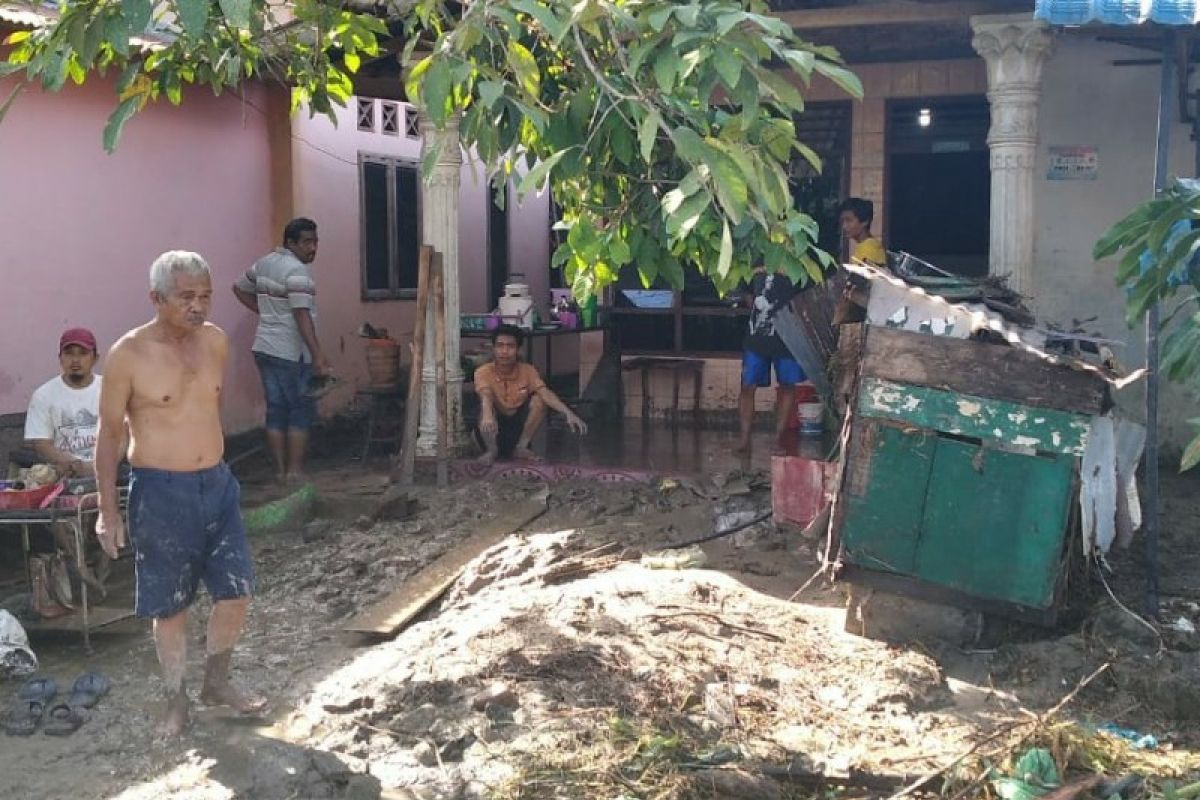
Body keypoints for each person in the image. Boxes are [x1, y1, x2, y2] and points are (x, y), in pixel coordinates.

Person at [95, 251, 265, 735]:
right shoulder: (127, 355)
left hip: (217, 483)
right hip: (159, 490)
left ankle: (217, 681)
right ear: (156, 298)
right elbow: (108, 436)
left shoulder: (215, 342)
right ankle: (176, 699)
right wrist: (109, 511)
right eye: (186, 296)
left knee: (237, 591)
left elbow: (205, 411)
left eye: (206, 295)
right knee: (169, 605)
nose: (199, 306)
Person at [232, 217, 329, 484]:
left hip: (264, 348)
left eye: (315, 242)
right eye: (307, 242)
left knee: (276, 409)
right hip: (289, 352)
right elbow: (301, 314)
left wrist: (266, 314)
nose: (313, 248)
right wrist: (317, 353)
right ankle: (295, 472)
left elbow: (238, 288)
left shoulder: (265, 263)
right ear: (291, 242)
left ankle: (279, 471)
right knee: (299, 409)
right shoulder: (298, 272)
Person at [24, 327, 110, 590]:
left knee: (120, 499)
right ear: (60, 358)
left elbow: (124, 434)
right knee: (55, 506)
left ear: (94, 357)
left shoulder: (109, 388)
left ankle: (106, 561)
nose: (75, 360)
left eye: (82, 353)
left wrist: (102, 464)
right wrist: (72, 464)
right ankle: (79, 565)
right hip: (65, 475)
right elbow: (41, 441)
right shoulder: (45, 395)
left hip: (104, 471)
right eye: (69, 353)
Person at [474, 325, 588, 464]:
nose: (504, 351)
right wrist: (487, 414)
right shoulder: (482, 372)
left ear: (518, 350)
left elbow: (544, 392)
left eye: (510, 346)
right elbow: (485, 395)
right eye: (500, 346)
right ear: (493, 349)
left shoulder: (528, 370)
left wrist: (568, 413)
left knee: (539, 400)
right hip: (490, 429)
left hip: (517, 430)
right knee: (486, 405)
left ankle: (521, 448)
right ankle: (491, 451)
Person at [737, 268, 803, 456]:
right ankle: (744, 441)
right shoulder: (757, 262)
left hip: (788, 339)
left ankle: (778, 439)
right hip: (757, 338)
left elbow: (805, 299)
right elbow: (748, 295)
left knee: (787, 386)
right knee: (747, 386)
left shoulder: (799, 264)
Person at [839, 197, 888, 267]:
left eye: (849, 220)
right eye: (842, 221)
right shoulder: (866, 245)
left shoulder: (869, 247)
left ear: (865, 221)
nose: (844, 226)